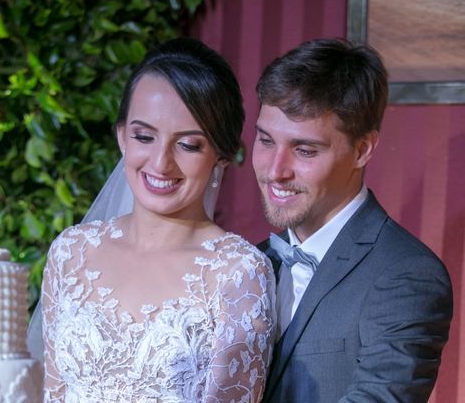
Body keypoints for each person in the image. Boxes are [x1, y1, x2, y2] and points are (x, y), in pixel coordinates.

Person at [37, 38, 276, 402]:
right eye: (144, 136)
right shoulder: (71, 253)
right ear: (122, 137)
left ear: (221, 157)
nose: (161, 163)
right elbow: (53, 392)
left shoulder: (238, 273)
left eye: (188, 144)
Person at [252, 38, 453, 402]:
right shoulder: (247, 264)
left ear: (362, 149)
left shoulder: (406, 274)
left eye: (304, 150)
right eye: (266, 141)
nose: (275, 171)